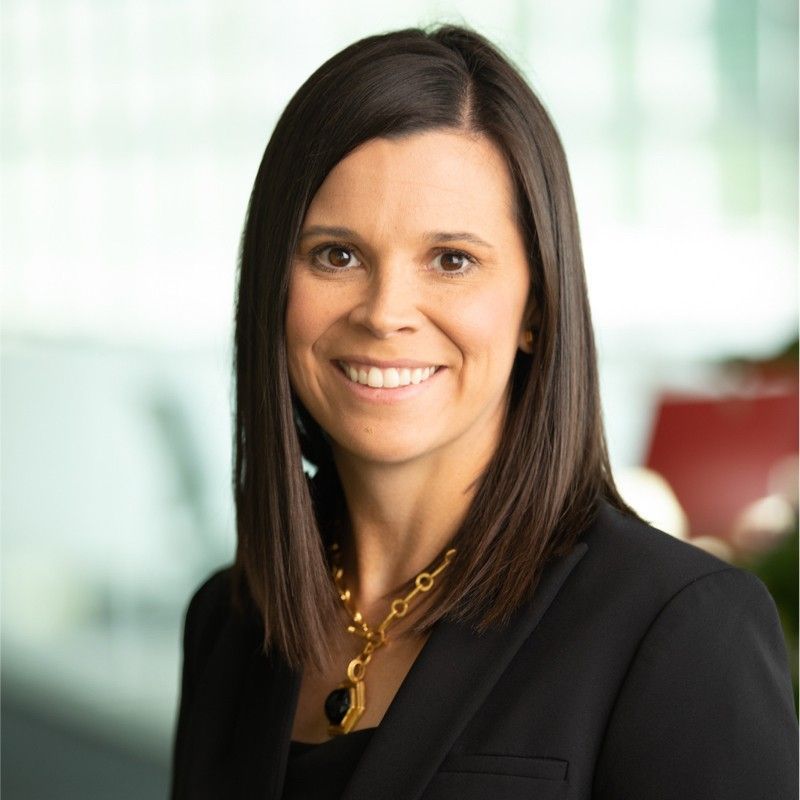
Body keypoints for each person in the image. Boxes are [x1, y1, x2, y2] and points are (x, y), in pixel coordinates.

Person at [170, 24, 798, 800]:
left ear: (536, 304)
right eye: (336, 254)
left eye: (452, 260)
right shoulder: (229, 623)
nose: (385, 312)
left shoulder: (682, 629)